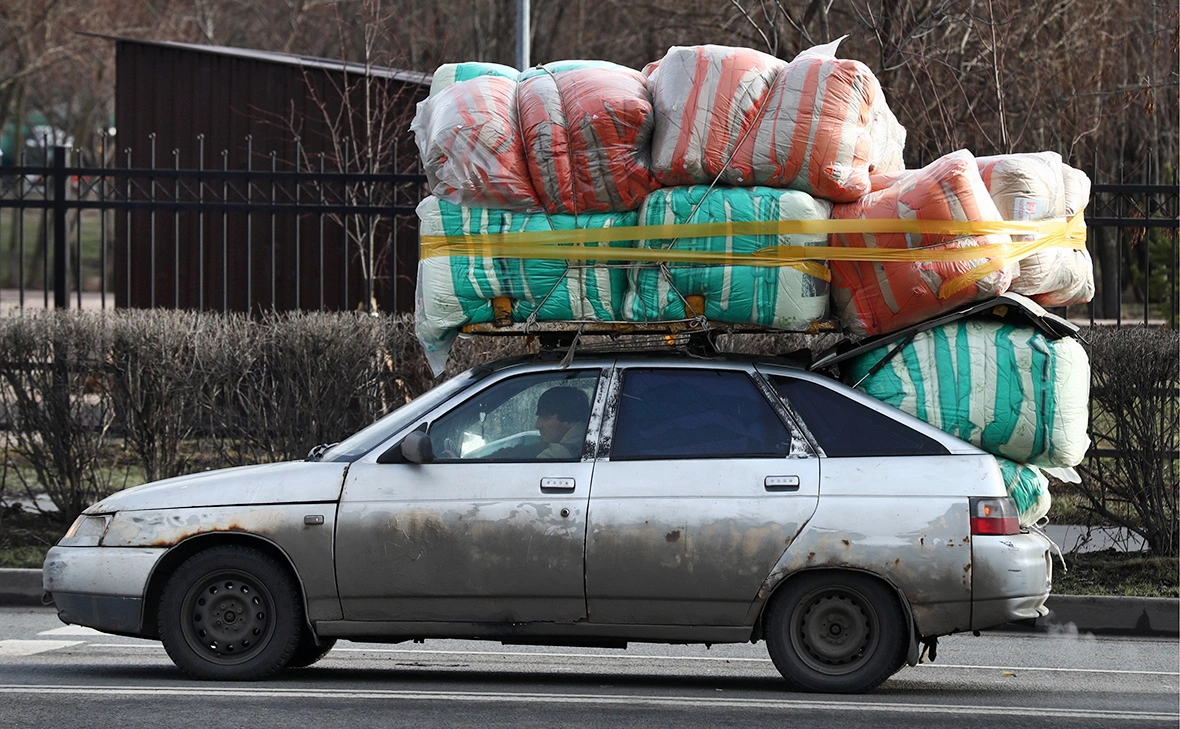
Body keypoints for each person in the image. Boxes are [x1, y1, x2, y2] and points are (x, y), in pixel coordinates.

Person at [533, 386, 590, 460]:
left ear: (570, 421)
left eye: (546, 418)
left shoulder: (554, 455)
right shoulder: (586, 444)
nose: (537, 425)